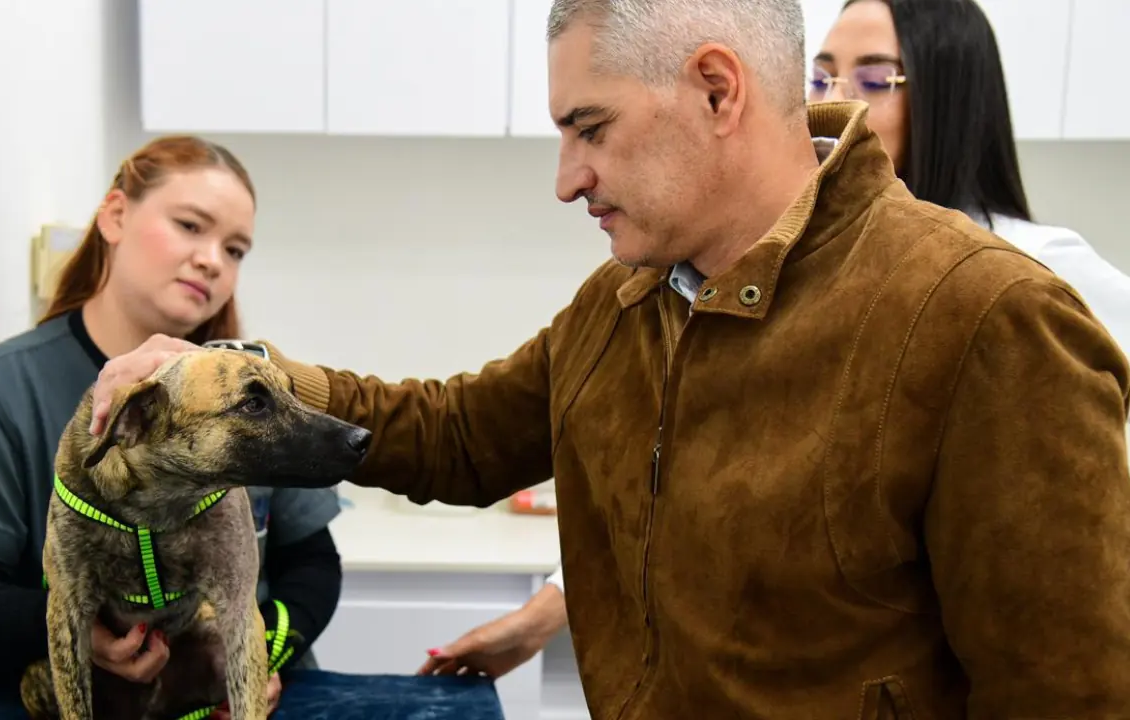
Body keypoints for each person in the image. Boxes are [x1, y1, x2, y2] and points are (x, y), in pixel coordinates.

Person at [87, 0, 1130, 716]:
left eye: (588, 127)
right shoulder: (625, 303)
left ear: (716, 91)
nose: (565, 177)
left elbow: (1066, 695)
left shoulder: (981, 316)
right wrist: (235, 377)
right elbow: (456, 434)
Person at [427, 0, 1130, 681]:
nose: (838, 98)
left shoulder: (1018, 289)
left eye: (876, 78)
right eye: (822, 75)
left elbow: (1059, 634)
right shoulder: (728, 276)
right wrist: (553, 608)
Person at [0, 136, 344, 720]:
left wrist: (264, 655)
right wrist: (86, 639)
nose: (213, 260)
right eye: (191, 226)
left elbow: (315, 566)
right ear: (116, 215)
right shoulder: (2, 387)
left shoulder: (253, 389)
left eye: (236, 249)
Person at [810, 0, 1130, 355]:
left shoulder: (1035, 262)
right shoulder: (828, 255)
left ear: (949, 101)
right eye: (820, 79)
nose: (831, 102)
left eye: (874, 81)